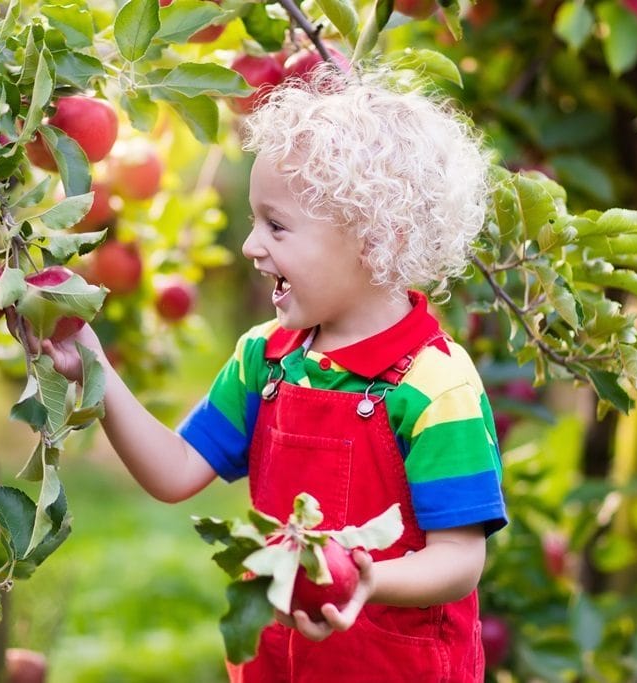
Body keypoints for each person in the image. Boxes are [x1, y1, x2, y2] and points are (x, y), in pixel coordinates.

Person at [40, 65, 507, 682]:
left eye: (276, 225)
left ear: (377, 239)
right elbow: (176, 470)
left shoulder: (435, 384)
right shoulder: (267, 358)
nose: (250, 246)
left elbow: (459, 559)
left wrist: (368, 578)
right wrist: (94, 370)